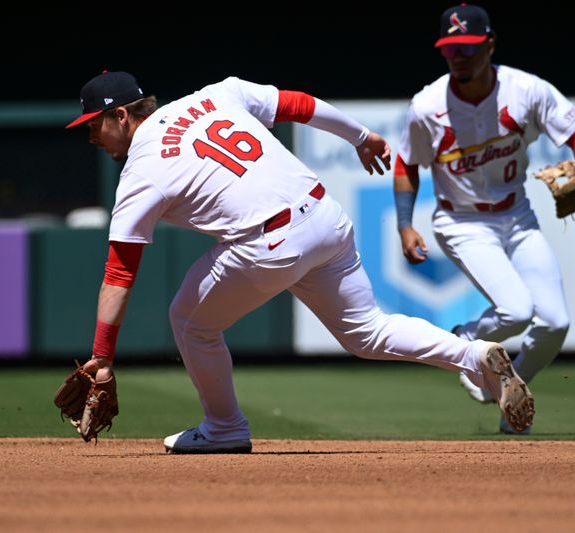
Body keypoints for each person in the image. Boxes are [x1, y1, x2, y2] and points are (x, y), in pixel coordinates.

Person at [66, 70, 534, 453]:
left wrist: (102, 357)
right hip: (324, 216)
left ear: (122, 115)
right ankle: (475, 355)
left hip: (270, 243)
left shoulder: (141, 169)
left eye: (93, 124)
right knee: (368, 331)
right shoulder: (215, 95)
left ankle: (225, 427)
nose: (90, 136)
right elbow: (297, 104)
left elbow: (120, 272)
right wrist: (362, 136)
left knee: (189, 321)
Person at [393, 3, 573, 434]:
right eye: (451, 48)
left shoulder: (527, 91)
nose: (460, 56)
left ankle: (509, 405)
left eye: (469, 47)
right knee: (515, 310)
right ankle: (465, 339)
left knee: (555, 323)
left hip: (517, 215)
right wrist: (404, 224)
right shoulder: (427, 106)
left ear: (490, 45)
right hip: (462, 223)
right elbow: (406, 164)